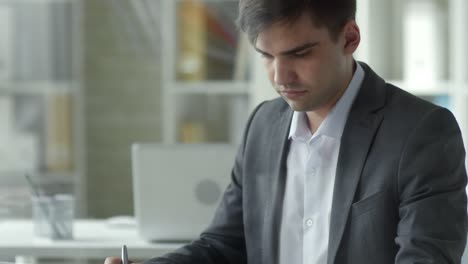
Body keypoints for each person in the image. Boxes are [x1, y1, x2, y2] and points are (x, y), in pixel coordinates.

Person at [105, 0, 468, 263]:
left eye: (299, 54)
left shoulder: (421, 132)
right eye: (266, 55)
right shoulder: (263, 125)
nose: (280, 77)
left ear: (349, 38)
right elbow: (225, 245)